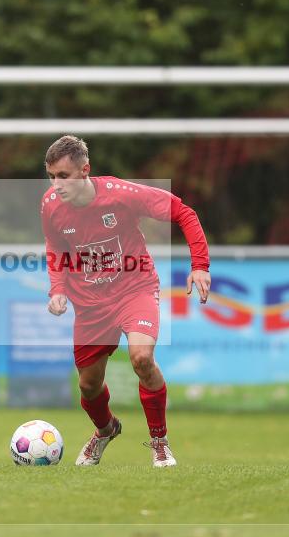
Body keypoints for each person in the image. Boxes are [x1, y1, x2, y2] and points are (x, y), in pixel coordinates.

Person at [40, 135, 210, 467]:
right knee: (88, 386)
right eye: (51, 176)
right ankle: (106, 430)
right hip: (90, 304)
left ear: (85, 170)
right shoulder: (50, 205)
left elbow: (184, 212)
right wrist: (57, 289)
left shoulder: (121, 194)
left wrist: (200, 265)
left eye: (63, 176)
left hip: (135, 289)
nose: (56, 185)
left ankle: (159, 442)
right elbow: (55, 247)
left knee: (142, 358)